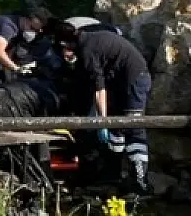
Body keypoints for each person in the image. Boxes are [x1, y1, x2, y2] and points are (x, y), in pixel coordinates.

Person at [54, 23, 151, 194]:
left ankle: (140, 181)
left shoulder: (87, 50)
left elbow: (100, 91)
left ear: (65, 45)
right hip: (120, 81)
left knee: (133, 127)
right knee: (116, 130)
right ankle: (112, 175)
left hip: (134, 80)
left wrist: (102, 121)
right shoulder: (90, 38)